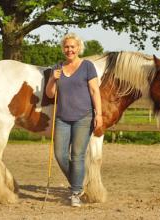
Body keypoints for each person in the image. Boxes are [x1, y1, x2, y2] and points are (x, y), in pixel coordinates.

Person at [46, 33, 102, 207]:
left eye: (73, 47)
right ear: (63, 49)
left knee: (77, 156)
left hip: (84, 117)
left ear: (78, 48)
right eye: (66, 47)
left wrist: (98, 114)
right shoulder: (57, 67)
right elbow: (50, 94)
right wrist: (52, 80)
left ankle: (75, 192)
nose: (69, 50)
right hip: (62, 117)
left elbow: (94, 91)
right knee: (60, 154)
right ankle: (79, 182)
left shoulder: (87, 66)